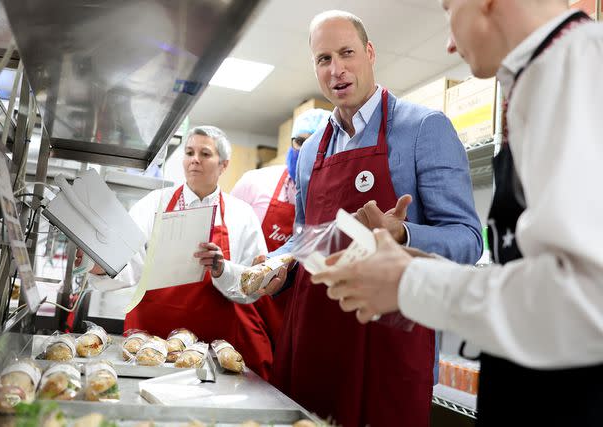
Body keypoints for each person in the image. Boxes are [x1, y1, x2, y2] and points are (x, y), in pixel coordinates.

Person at [312, 1, 603, 426]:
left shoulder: (579, 68)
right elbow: (542, 271)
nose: (449, 42)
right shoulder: (540, 78)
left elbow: (588, 301)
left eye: (448, 8)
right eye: (323, 58)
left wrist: (410, 278)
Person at [262, 10, 483, 427]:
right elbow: (306, 238)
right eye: (324, 59)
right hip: (314, 343)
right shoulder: (310, 152)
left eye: (347, 53)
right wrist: (279, 264)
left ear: (370, 53)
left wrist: (401, 232)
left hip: (390, 345)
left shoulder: (424, 128)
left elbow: (469, 240)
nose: (337, 69)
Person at [79, 126, 273, 378]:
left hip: (213, 345)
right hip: (150, 339)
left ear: (223, 165)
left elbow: (252, 285)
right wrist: (97, 264)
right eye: (189, 152)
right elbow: (128, 261)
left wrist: (222, 269)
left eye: (205, 154)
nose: (194, 159)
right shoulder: (154, 203)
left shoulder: (242, 214)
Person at [231, 108, 331, 345]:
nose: (306, 151)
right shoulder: (255, 183)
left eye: (316, 144)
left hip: (305, 317)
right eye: (299, 142)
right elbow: (227, 242)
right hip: (252, 311)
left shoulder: (338, 198)